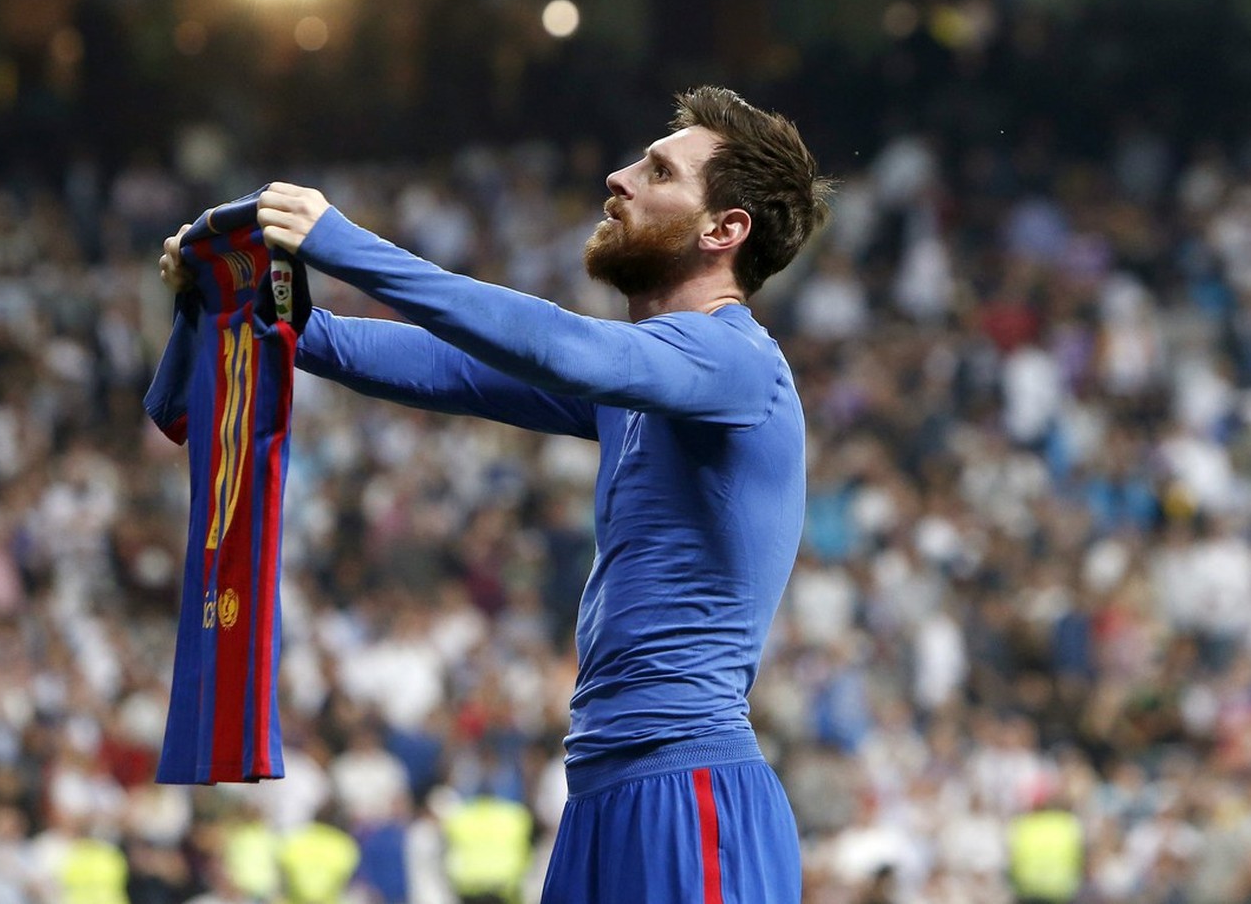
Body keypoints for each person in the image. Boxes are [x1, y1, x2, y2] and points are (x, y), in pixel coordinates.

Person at [160, 86, 830, 903]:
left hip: (691, 793)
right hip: (604, 789)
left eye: (657, 171)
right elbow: (450, 369)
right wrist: (266, 311)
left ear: (723, 230)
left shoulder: (737, 362)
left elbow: (562, 348)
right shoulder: (646, 379)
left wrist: (344, 244)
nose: (618, 177)